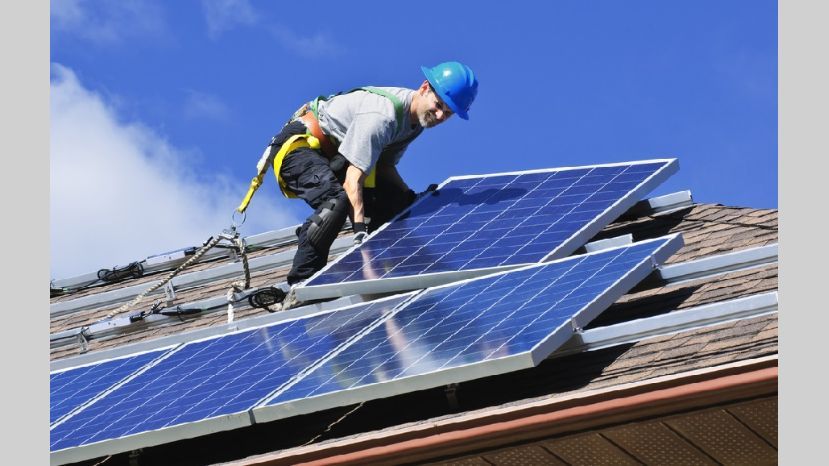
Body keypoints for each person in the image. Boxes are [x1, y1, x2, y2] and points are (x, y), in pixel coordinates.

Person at [256, 61, 478, 309]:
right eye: (438, 107)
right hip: (300, 148)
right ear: (425, 87)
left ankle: (393, 270)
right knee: (336, 203)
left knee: (398, 204)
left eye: (447, 114)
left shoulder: (415, 124)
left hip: (335, 158)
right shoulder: (382, 116)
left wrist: (409, 199)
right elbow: (353, 181)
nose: (439, 116)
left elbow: (383, 167)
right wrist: (360, 231)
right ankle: (302, 286)